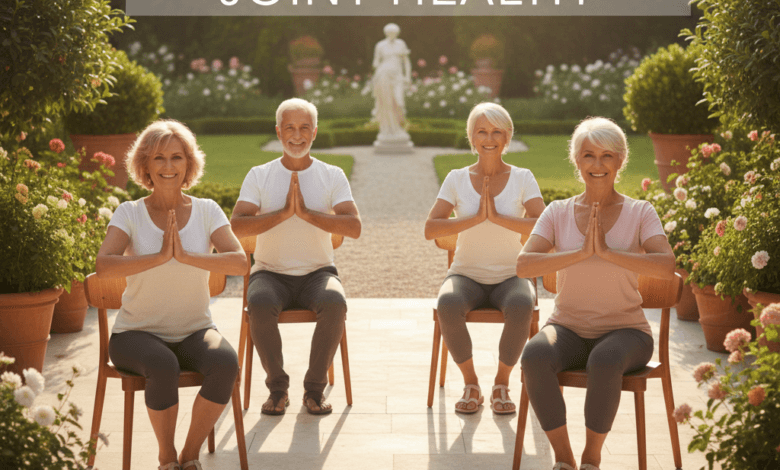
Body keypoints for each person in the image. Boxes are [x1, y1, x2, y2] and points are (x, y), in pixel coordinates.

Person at [516, 117, 676, 470]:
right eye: (589, 155)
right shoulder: (558, 212)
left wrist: (607, 253)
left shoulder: (640, 212)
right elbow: (524, 266)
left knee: (604, 361)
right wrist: (578, 254)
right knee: (534, 356)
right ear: (577, 161)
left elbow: (667, 267)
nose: (598, 164)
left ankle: (591, 458)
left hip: (626, 332)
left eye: (607, 156)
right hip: (568, 328)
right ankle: (564, 459)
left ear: (620, 161)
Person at [96, 120, 247, 470]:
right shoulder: (129, 213)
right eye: (158, 158)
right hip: (135, 335)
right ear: (145, 165)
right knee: (163, 365)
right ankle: (166, 456)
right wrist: (159, 258)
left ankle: (189, 455)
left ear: (188, 164)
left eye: (176, 157)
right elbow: (104, 266)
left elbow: (240, 262)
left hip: (195, 331)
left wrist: (188, 257)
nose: (168, 167)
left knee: (225, 363)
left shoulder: (208, 210)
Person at [230, 98, 361, 416]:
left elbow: (353, 226)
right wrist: (284, 213)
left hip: (319, 273)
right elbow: (237, 224)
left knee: (335, 303)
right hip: (269, 273)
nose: (297, 135)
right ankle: (278, 388)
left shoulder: (331, 174)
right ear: (278, 131)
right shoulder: (260, 174)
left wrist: (305, 213)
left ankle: (314, 390)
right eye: (290, 127)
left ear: (314, 132)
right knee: (258, 304)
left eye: (305, 128)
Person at [424, 102, 545, 415]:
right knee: (448, 305)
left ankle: (501, 384)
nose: (489, 137)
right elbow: (431, 228)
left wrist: (498, 218)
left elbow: (544, 225)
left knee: (521, 305)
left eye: (496, 131)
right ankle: (472, 384)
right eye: (482, 131)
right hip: (465, 275)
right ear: (472, 137)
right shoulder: (456, 178)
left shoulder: (522, 177)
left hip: (511, 275)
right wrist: (476, 218)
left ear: (507, 138)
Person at [372, 23, 412, 140]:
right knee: (387, 102)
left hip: (397, 76)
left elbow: (406, 62)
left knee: (399, 102)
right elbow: (376, 62)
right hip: (383, 75)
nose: (392, 35)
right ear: (386, 33)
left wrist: (407, 76)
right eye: (390, 33)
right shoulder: (380, 45)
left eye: (394, 33)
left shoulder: (401, 44)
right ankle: (388, 129)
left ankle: (398, 127)